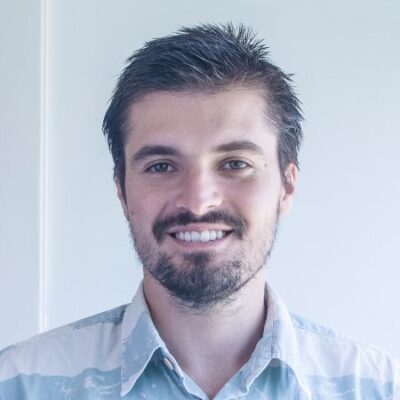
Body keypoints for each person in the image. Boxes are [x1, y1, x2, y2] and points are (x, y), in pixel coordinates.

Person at [0, 22, 399, 400]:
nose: (197, 201)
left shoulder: (378, 388)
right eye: (161, 166)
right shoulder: (18, 385)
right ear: (121, 189)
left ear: (287, 186)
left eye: (235, 164)